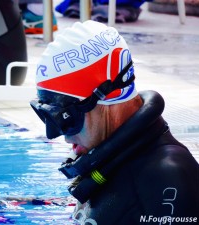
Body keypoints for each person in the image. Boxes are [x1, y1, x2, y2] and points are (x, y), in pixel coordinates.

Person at [30, 20, 199, 224]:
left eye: (66, 118)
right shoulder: (110, 159)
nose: (60, 135)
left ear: (105, 97)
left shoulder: (167, 176)